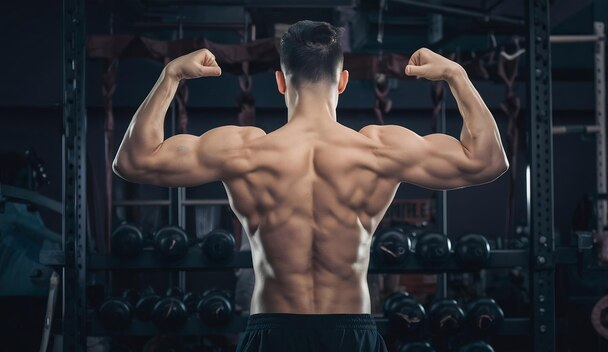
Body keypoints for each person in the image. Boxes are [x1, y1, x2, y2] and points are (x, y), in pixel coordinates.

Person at [113, 20, 508, 352]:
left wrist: (172, 75)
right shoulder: (379, 149)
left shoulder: (243, 151)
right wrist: (457, 75)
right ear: (343, 82)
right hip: (351, 331)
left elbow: (133, 161)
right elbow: (489, 160)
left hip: (273, 331)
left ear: (281, 82)